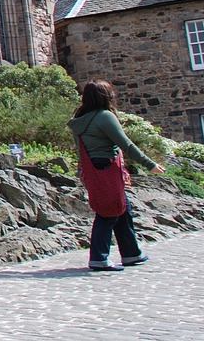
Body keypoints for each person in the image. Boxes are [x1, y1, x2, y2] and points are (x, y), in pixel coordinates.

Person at [67, 79, 165, 271]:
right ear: (105, 97)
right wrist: (150, 164)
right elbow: (126, 144)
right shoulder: (104, 117)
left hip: (93, 169)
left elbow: (81, 151)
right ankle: (99, 258)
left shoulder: (81, 119)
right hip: (107, 168)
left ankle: (131, 253)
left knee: (123, 210)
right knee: (108, 212)